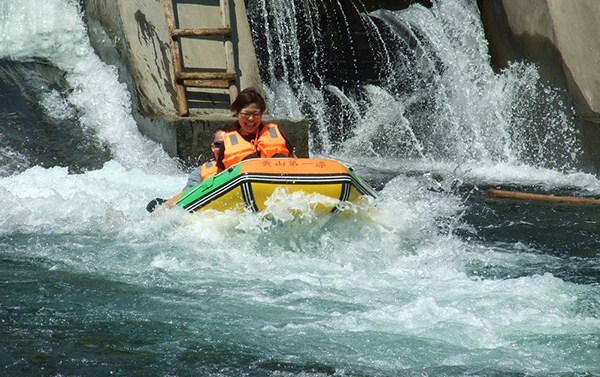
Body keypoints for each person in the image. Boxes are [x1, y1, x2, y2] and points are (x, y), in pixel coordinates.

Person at [216, 87, 294, 171]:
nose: (251, 118)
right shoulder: (228, 142)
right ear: (237, 113)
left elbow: (295, 162)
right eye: (246, 114)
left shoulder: (274, 133)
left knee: (279, 157)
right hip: (244, 182)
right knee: (251, 160)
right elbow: (220, 174)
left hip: (278, 180)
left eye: (256, 114)